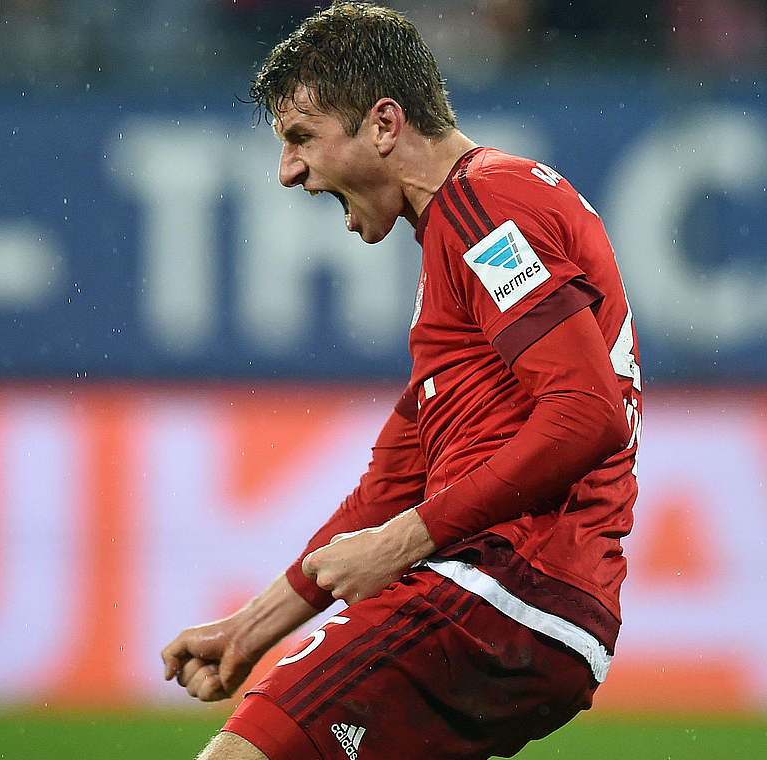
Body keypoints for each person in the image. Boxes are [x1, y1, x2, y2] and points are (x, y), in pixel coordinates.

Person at [160, 3, 642, 759]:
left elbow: (589, 414)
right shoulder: (461, 238)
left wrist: (402, 544)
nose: (288, 172)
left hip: (501, 583)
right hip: (540, 607)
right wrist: (250, 629)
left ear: (384, 124)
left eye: (299, 138)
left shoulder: (485, 207)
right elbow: (394, 481)